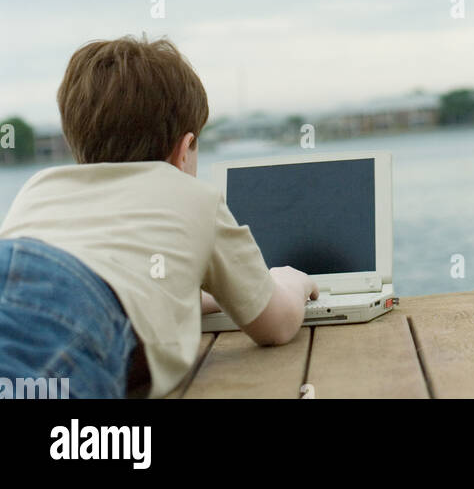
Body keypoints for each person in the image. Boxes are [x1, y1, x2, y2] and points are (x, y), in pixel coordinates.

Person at [0, 35, 318, 398]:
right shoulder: (194, 196)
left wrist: (218, 296)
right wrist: (290, 282)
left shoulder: (41, 185)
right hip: (78, 304)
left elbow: (116, 285)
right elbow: (275, 324)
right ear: (184, 150)